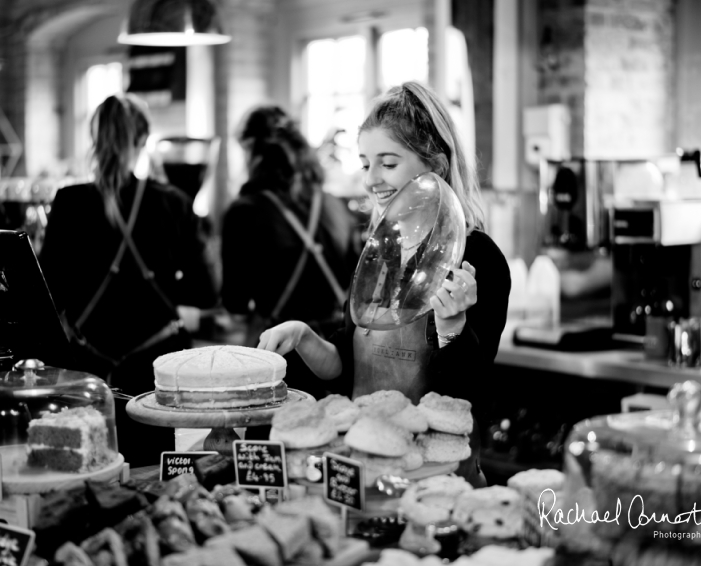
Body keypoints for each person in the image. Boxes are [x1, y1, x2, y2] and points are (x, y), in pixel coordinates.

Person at [257, 82, 511, 486]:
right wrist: (305, 338)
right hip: (363, 463)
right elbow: (347, 366)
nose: (371, 179)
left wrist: (453, 329)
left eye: (388, 163)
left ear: (437, 168)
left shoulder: (477, 257)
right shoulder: (383, 251)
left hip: (436, 472)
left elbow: (470, 393)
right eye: (365, 163)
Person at [40, 94, 218, 465]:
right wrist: (162, 289)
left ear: (95, 137)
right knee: (150, 472)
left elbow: (48, 294)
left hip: (86, 366)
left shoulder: (69, 202)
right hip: (154, 366)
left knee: (85, 467)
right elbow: (206, 291)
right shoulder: (173, 201)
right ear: (143, 140)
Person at [221, 105, 360, 397]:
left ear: (251, 151)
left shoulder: (244, 212)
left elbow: (234, 302)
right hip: (337, 357)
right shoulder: (334, 205)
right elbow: (357, 284)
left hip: (278, 361)